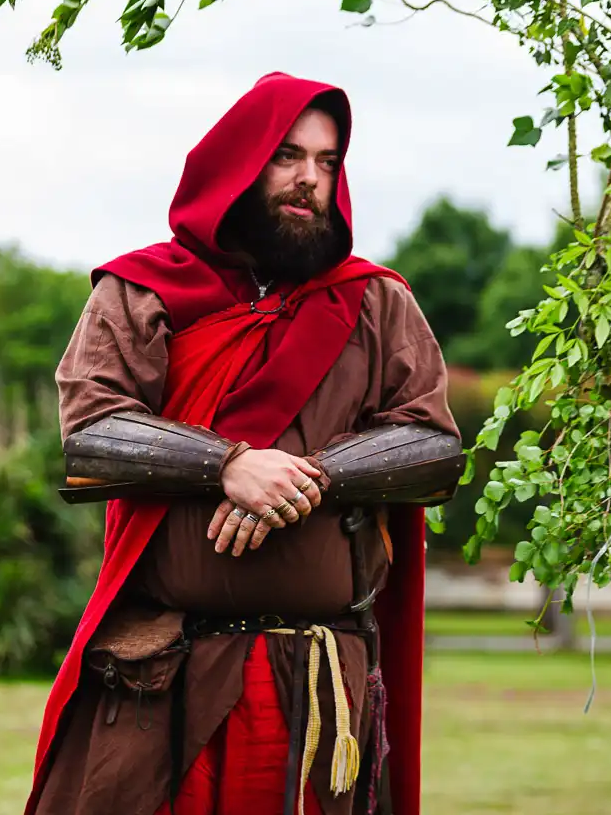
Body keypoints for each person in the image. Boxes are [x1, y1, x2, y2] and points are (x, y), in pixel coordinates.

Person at [24, 72, 464, 815]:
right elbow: (93, 437)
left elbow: (431, 449)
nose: (310, 180)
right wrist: (225, 464)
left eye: (328, 163)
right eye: (288, 156)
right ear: (240, 161)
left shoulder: (376, 302)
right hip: (166, 680)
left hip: (320, 678)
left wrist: (310, 479)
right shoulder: (144, 292)